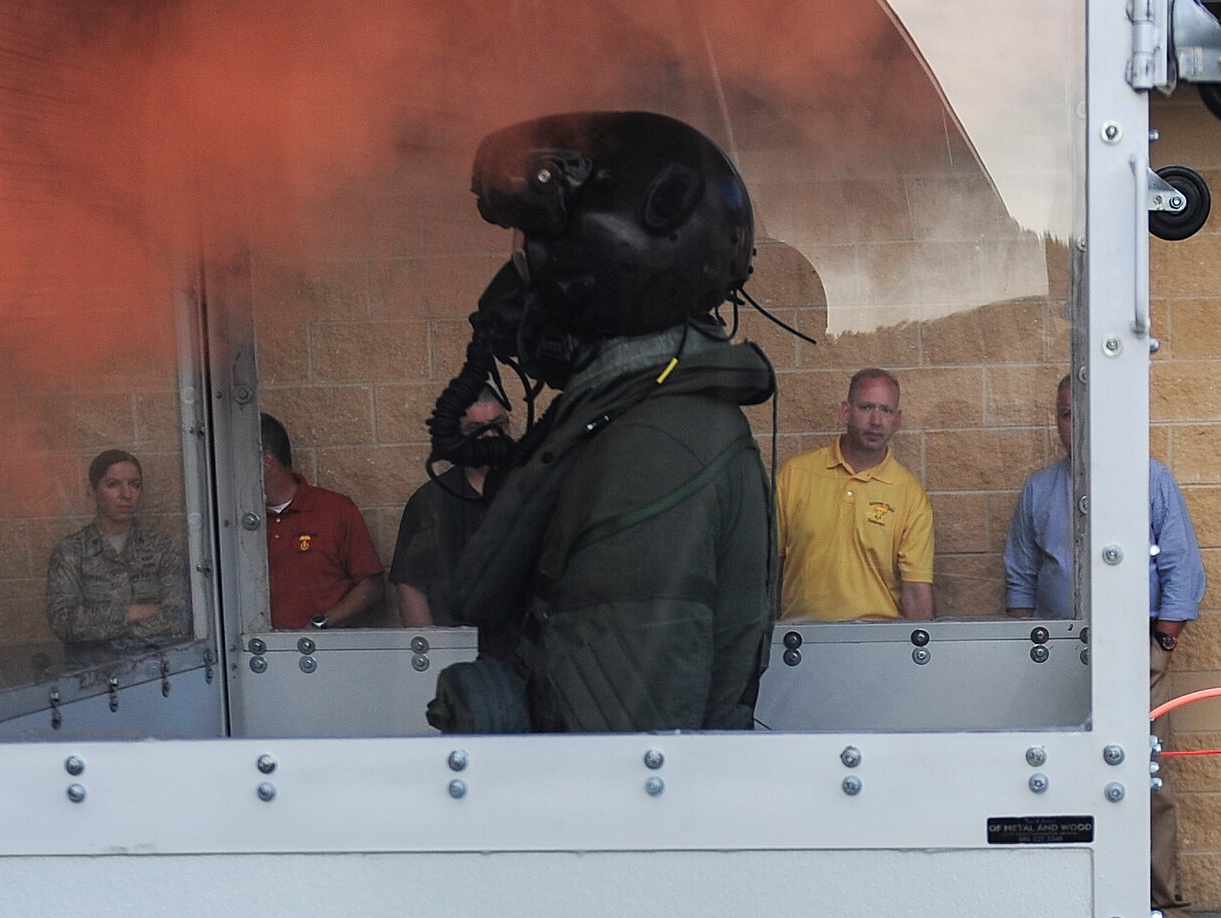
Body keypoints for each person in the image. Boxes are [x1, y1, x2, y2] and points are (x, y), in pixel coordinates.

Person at [430, 110, 776, 733]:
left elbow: (625, 751)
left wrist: (499, 710)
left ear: (602, 261)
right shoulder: (635, 417)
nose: (516, 278)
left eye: (530, 251)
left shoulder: (653, 447)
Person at [1004, 374, 1207, 918]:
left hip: (1135, 654)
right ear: (1057, 421)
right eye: (1068, 415)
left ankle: (1163, 911)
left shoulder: (1150, 480)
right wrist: (1029, 645)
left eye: (1089, 414)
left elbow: (1181, 569)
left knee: (1147, 783)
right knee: (1056, 778)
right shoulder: (1040, 490)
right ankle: (1065, 903)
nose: (1079, 426)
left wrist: (1160, 644)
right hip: (1057, 655)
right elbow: (1019, 573)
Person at [775, 368, 935, 621]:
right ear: (845, 412)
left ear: (897, 420)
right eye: (866, 407)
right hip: (801, 642)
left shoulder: (910, 496)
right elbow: (767, 569)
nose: (876, 420)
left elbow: (916, 590)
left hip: (877, 642)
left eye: (886, 410)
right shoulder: (795, 475)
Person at [45, 449, 191, 665]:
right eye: (113, 484)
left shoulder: (162, 548)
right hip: (92, 679)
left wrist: (103, 633)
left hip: (155, 673)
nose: (126, 494)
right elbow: (64, 623)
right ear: (92, 491)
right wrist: (130, 613)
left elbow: (178, 618)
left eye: (135, 485)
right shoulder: (71, 552)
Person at [391, 394, 509, 628]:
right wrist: (432, 651)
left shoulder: (535, 488)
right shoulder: (431, 500)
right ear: (459, 433)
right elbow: (410, 584)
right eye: (476, 428)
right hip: (456, 644)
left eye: (497, 425)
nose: (489, 435)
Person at [259, 414, 383, 631]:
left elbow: (371, 586)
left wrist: (321, 624)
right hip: (258, 654)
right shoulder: (236, 523)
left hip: (327, 653)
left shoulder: (335, 509)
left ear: (267, 461)